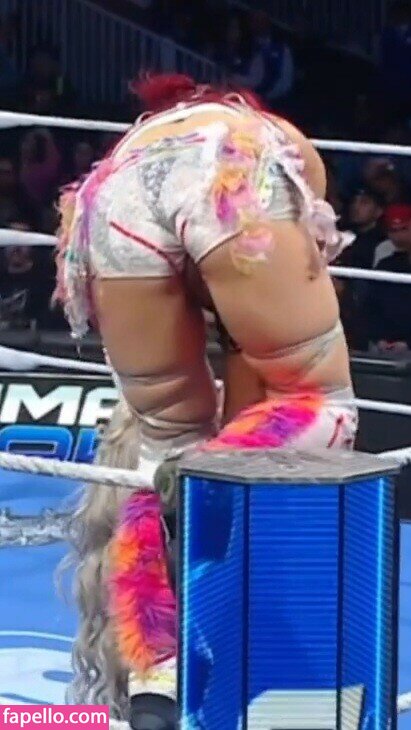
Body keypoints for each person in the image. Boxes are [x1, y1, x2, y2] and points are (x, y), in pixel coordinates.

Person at [55, 74, 357, 727]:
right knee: (320, 402)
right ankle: (245, 601)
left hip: (111, 201)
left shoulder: (139, 144)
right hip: (228, 178)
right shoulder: (270, 139)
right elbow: (271, 341)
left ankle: (154, 676)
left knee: (164, 442)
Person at [366, 203, 411, 353]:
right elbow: (371, 306)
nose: (399, 237)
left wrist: (408, 344)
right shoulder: (386, 264)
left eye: (404, 229)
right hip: (383, 345)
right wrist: (379, 338)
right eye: (393, 231)